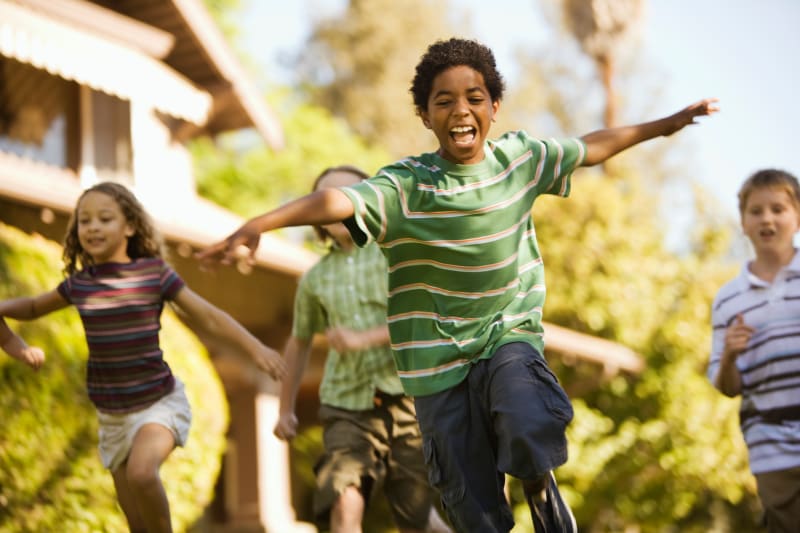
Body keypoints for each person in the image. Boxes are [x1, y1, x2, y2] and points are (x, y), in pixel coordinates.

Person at [197, 37, 718, 533]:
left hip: (505, 332)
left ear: (494, 106)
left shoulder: (520, 159)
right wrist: (257, 224)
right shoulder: (408, 185)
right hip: (434, 368)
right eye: (443, 101)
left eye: (474, 97)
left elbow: (590, 147)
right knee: (472, 510)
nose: (460, 110)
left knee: (524, 412)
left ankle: (537, 481)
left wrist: (666, 125)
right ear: (425, 116)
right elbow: (340, 202)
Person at [0, 181, 285, 533]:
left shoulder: (154, 274)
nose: (92, 227)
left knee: (142, 473)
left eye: (105, 218)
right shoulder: (80, 284)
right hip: (112, 416)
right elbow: (28, 307)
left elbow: (209, 315)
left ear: (130, 227)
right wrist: (18, 346)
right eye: (84, 221)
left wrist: (256, 348)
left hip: (158, 403)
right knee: (135, 520)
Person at [273, 165, 451, 533]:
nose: (337, 209)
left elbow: (420, 313)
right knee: (343, 492)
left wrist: (363, 338)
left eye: (348, 199)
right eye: (327, 203)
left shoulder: (395, 254)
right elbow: (299, 341)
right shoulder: (315, 278)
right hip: (347, 403)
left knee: (415, 517)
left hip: (409, 400)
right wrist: (285, 407)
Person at [708, 168, 800, 533]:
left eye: (778, 209)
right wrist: (730, 354)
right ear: (743, 223)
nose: (767, 219)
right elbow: (728, 386)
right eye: (756, 211)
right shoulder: (729, 299)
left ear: (797, 217)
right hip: (772, 446)